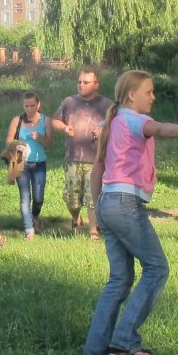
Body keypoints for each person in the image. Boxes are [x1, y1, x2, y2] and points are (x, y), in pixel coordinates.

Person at [81, 70, 178, 355]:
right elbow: (159, 129)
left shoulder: (112, 123)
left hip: (107, 202)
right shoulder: (133, 119)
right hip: (125, 204)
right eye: (148, 92)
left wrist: (99, 210)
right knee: (157, 268)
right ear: (131, 95)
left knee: (120, 279)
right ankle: (124, 339)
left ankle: (94, 350)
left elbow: (98, 169)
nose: (153, 97)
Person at [51, 69, 113, 240]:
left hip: (96, 159)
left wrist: (104, 130)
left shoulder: (106, 105)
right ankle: (76, 217)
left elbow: (117, 125)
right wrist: (64, 127)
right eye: (79, 81)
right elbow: (55, 121)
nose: (81, 85)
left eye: (86, 82)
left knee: (93, 197)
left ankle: (93, 231)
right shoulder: (69, 102)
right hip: (73, 157)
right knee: (72, 198)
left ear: (96, 84)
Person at [5, 91, 53, 240]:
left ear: (38, 105)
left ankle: (35, 216)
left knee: (38, 198)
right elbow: (8, 141)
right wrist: (18, 144)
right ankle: (29, 230)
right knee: (25, 197)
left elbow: (50, 144)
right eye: (26, 106)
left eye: (32, 105)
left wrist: (40, 137)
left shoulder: (45, 120)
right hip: (21, 162)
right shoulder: (17, 120)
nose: (29, 109)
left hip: (39, 163)